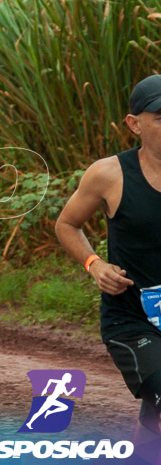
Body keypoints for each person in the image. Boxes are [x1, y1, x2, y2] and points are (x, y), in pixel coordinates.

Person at [56, 74, 161, 438]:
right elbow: (67, 224)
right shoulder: (109, 174)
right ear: (135, 124)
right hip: (131, 319)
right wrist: (94, 263)